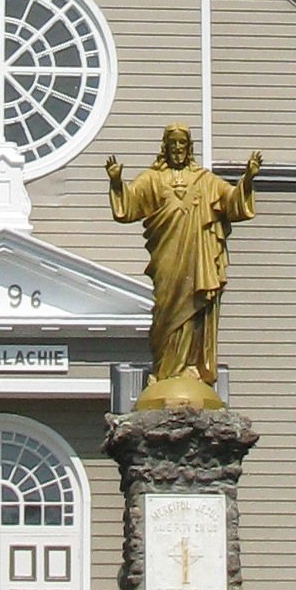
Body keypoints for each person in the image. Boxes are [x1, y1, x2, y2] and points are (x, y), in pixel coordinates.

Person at [108, 122, 260, 407]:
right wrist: (117, 181)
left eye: (182, 145)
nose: (177, 149)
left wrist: (248, 178)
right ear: (165, 148)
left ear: (189, 148)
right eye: (173, 145)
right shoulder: (153, 179)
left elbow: (231, 202)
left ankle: (191, 368)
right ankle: (165, 371)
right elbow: (128, 208)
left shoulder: (205, 180)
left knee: (194, 308)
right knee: (166, 309)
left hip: (197, 258)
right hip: (166, 257)